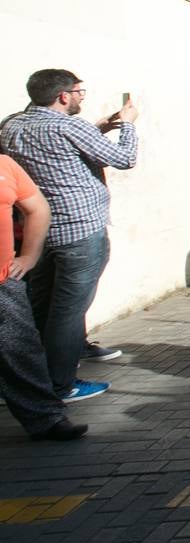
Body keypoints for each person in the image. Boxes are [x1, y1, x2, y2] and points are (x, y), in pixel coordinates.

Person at [0, 69, 138, 402]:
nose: (80, 97)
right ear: (64, 95)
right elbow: (125, 158)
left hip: (37, 235)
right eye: (80, 92)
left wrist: (100, 128)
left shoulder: (11, 125)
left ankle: (23, 383)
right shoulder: (69, 125)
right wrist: (129, 124)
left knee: (38, 308)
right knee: (67, 313)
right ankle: (61, 386)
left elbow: (57, 148)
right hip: (80, 231)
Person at [0, 154, 87, 441]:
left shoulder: (5, 166)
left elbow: (38, 208)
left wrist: (29, 256)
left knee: (22, 351)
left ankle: (46, 420)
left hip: (3, 283)